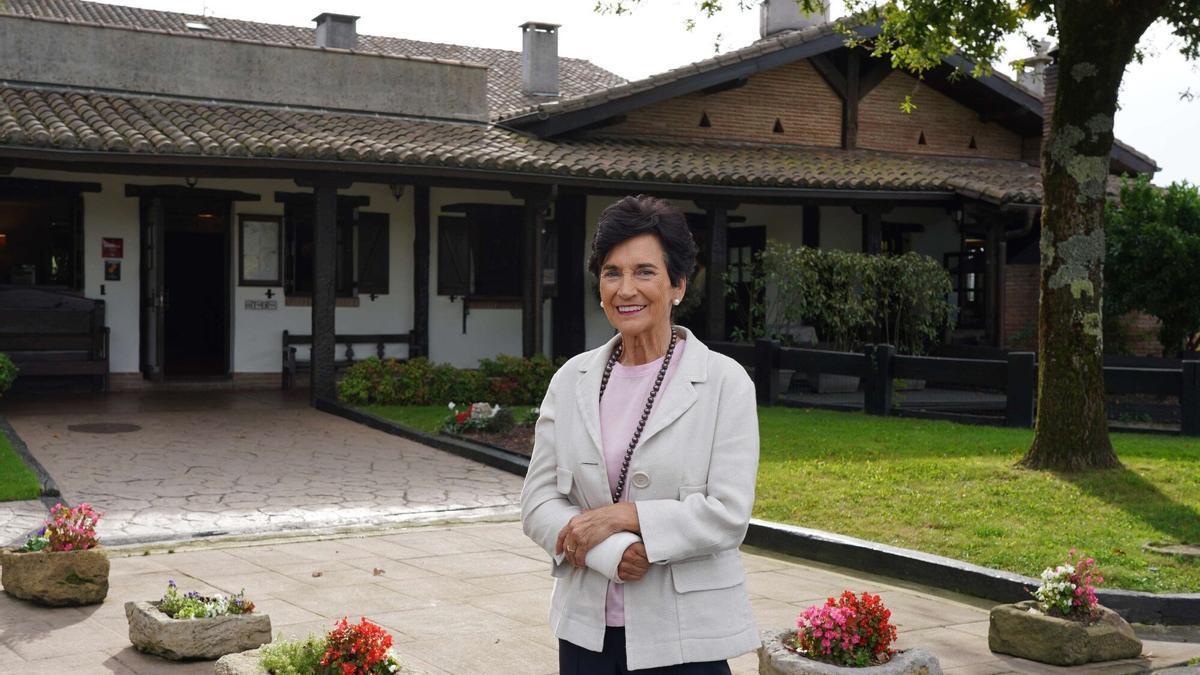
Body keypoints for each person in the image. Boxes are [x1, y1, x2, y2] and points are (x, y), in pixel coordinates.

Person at [521, 195, 760, 674]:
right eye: (612, 273)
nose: (625, 289)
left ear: (678, 284)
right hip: (586, 634)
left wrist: (624, 516)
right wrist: (611, 550)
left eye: (645, 272)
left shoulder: (723, 381)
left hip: (685, 637)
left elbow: (728, 515)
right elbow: (538, 502)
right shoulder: (572, 380)